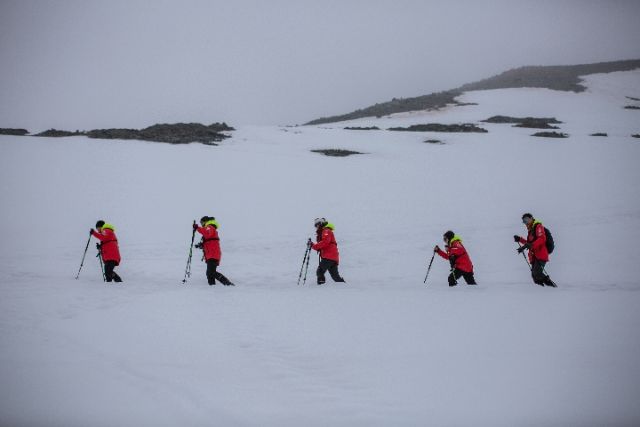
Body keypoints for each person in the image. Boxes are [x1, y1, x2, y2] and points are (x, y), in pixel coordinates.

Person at [514, 213, 556, 287]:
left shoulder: (538, 226)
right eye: (524, 221)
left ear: (531, 218)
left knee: (537, 273)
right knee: (535, 277)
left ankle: (553, 288)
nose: (526, 222)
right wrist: (520, 239)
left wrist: (531, 245)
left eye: (526, 219)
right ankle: (543, 290)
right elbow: (529, 243)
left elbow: (542, 238)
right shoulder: (531, 230)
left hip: (540, 254)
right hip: (534, 256)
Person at [194, 216, 234, 286]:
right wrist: (201, 245)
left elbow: (207, 233)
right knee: (209, 273)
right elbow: (210, 241)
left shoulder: (209, 227)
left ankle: (228, 283)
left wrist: (197, 228)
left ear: (205, 221)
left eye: (202, 222)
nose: (201, 224)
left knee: (211, 272)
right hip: (211, 254)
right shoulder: (210, 228)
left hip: (213, 254)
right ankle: (212, 287)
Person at [310, 218, 345, 285]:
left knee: (320, 271)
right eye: (315, 225)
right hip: (333, 257)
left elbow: (325, 242)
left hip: (329, 256)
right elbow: (323, 245)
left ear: (320, 224)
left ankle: (321, 287)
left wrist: (313, 246)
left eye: (317, 225)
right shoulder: (326, 231)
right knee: (335, 277)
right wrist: (312, 245)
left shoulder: (326, 230)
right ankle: (344, 286)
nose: (316, 227)